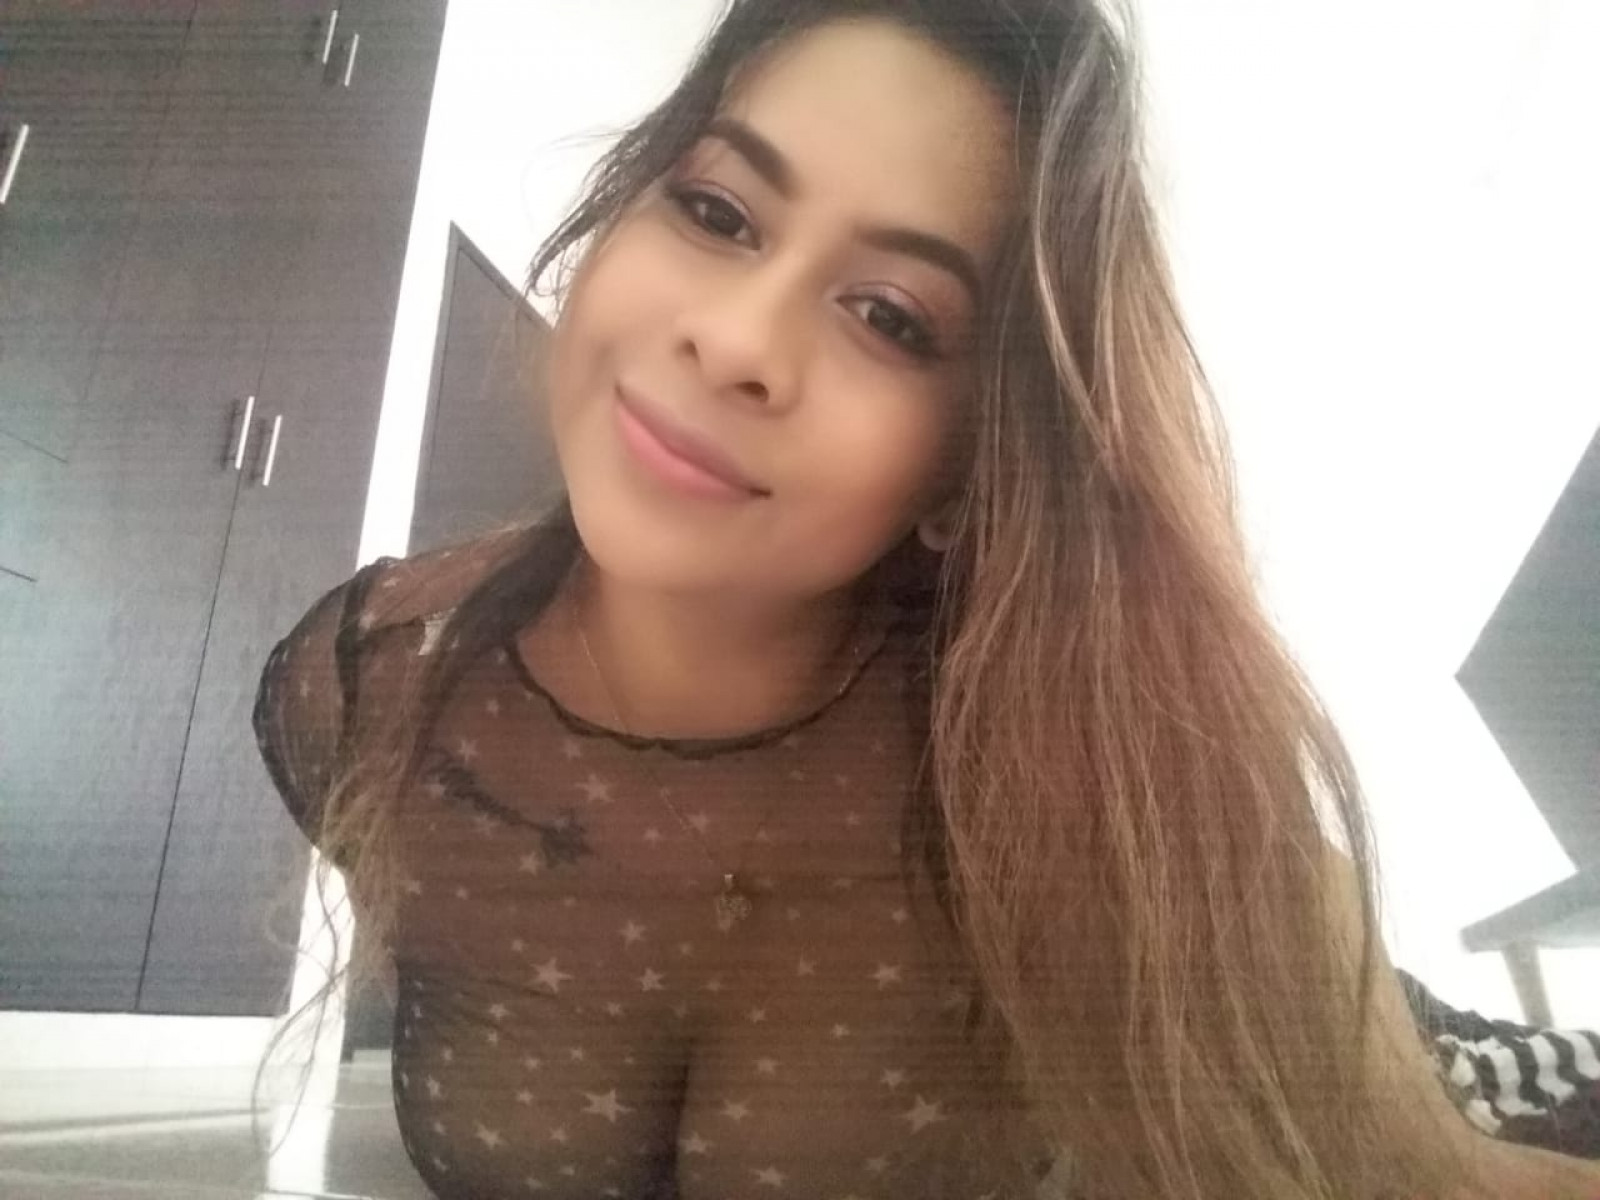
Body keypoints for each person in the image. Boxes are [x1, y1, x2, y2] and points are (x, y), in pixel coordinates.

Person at [251, 1, 1600, 1197]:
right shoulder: (365, 689)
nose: (737, 338)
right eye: (717, 211)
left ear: (967, 468)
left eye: (890, 316)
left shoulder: (1121, 800)